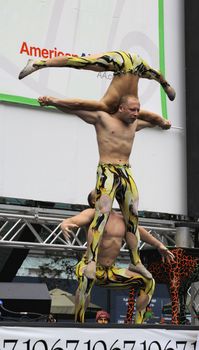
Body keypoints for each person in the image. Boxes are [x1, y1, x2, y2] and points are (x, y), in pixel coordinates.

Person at [38, 94, 171, 282]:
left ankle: (136, 260)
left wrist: (163, 122)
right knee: (101, 215)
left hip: (126, 170)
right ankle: (91, 260)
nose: (135, 114)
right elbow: (76, 108)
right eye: (132, 109)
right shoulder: (102, 118)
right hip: (107, 170)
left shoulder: (134, 124)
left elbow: (152, 121)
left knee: (132, 214)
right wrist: (53, 102)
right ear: (121, 108)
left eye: (137, 110)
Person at [61, 189, 174, 324]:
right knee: (86, 279)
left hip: (110, 272)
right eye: (99, 192)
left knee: (148, 281)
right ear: (93, 201)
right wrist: (65, 223)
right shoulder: (93, 213)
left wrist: (159, 245)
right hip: (89, 265)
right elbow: (76, 219)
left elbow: (139, 231)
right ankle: (79, 324)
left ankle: (139, 324)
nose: (105, 191)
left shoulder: (122, 219)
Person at [19, 51, 175, 113]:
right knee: (80, 62)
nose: (135, 114)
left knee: (81, 63)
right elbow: (80, 104)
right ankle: (37, 63)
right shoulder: (108, 107)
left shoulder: (118, 108)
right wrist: (55, 101)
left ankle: (38, 63)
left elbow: (148, 116)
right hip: (125, 65)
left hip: (132, 65)